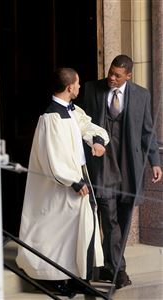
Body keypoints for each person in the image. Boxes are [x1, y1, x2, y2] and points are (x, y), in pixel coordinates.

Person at [16, 68, 109, 296]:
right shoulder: (51, 118)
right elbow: (53, 157)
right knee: (56, 233)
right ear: (70, 88)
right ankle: (53, 278)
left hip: (78, 176)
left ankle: (76, 276)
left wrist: (96, 140)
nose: (79, 88)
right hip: (60, 186)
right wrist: (74, 181)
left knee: (79, 230)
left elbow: (87, 126)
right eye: (77, 84)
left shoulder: (72, 110)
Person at [82, 54, 162, 289]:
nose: (111, 78)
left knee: (124, 220)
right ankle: (118, 271)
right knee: (109, 216)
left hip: (129, 164)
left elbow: (148, 131)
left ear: (129, 75)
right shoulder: (91, 89)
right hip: (103, 163)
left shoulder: (141, 95)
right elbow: (83, 124)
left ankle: (110, 265)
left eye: (117, 75)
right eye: (110, 72)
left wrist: (155, 162)